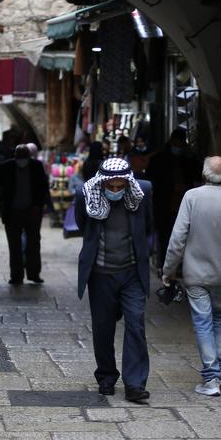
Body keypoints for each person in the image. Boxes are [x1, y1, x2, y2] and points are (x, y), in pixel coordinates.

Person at [161, 157, 221, 397]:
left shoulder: (191, 197)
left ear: (204, 175)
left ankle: (211, 377)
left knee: (203, 322)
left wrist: (168, 269)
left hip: (196, 275)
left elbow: (177, 238)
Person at [75, 157, 152, 404]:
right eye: (112, 187)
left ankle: (135, 384)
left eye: (121, 187)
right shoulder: (85, 194)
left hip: (132, 272)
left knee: (136, 324)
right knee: (103, 327)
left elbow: (148, 226)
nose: (116, 191)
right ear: (103, 183)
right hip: (100, 274)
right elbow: (83, 225)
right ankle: (106, 377)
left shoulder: (143, 192)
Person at [0, 145, 50, 285]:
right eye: (20, 157)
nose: (22, 160)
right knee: (14, 246)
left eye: (25, 157)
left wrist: (39, 206)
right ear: (15, 156)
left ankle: (34, 274)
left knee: (33, 244)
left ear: (29, 157)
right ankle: (16, 276)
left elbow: (43, 187)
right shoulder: (5, 167)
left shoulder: (36, 166)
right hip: (12, 212)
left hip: (32, 212)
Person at [147, 127, 202, 269]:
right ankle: (165, 265)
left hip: (183, 204)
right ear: (171, 141)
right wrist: (171, 187)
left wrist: (192, 157)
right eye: (176, 144)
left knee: (183, 236)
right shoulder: (158, 159)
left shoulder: (187, 159)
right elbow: (152, 181)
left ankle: (179, 266)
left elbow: (197, 174)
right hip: (164, 204)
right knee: (165, 236)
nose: (178, 147)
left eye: (180, 144)